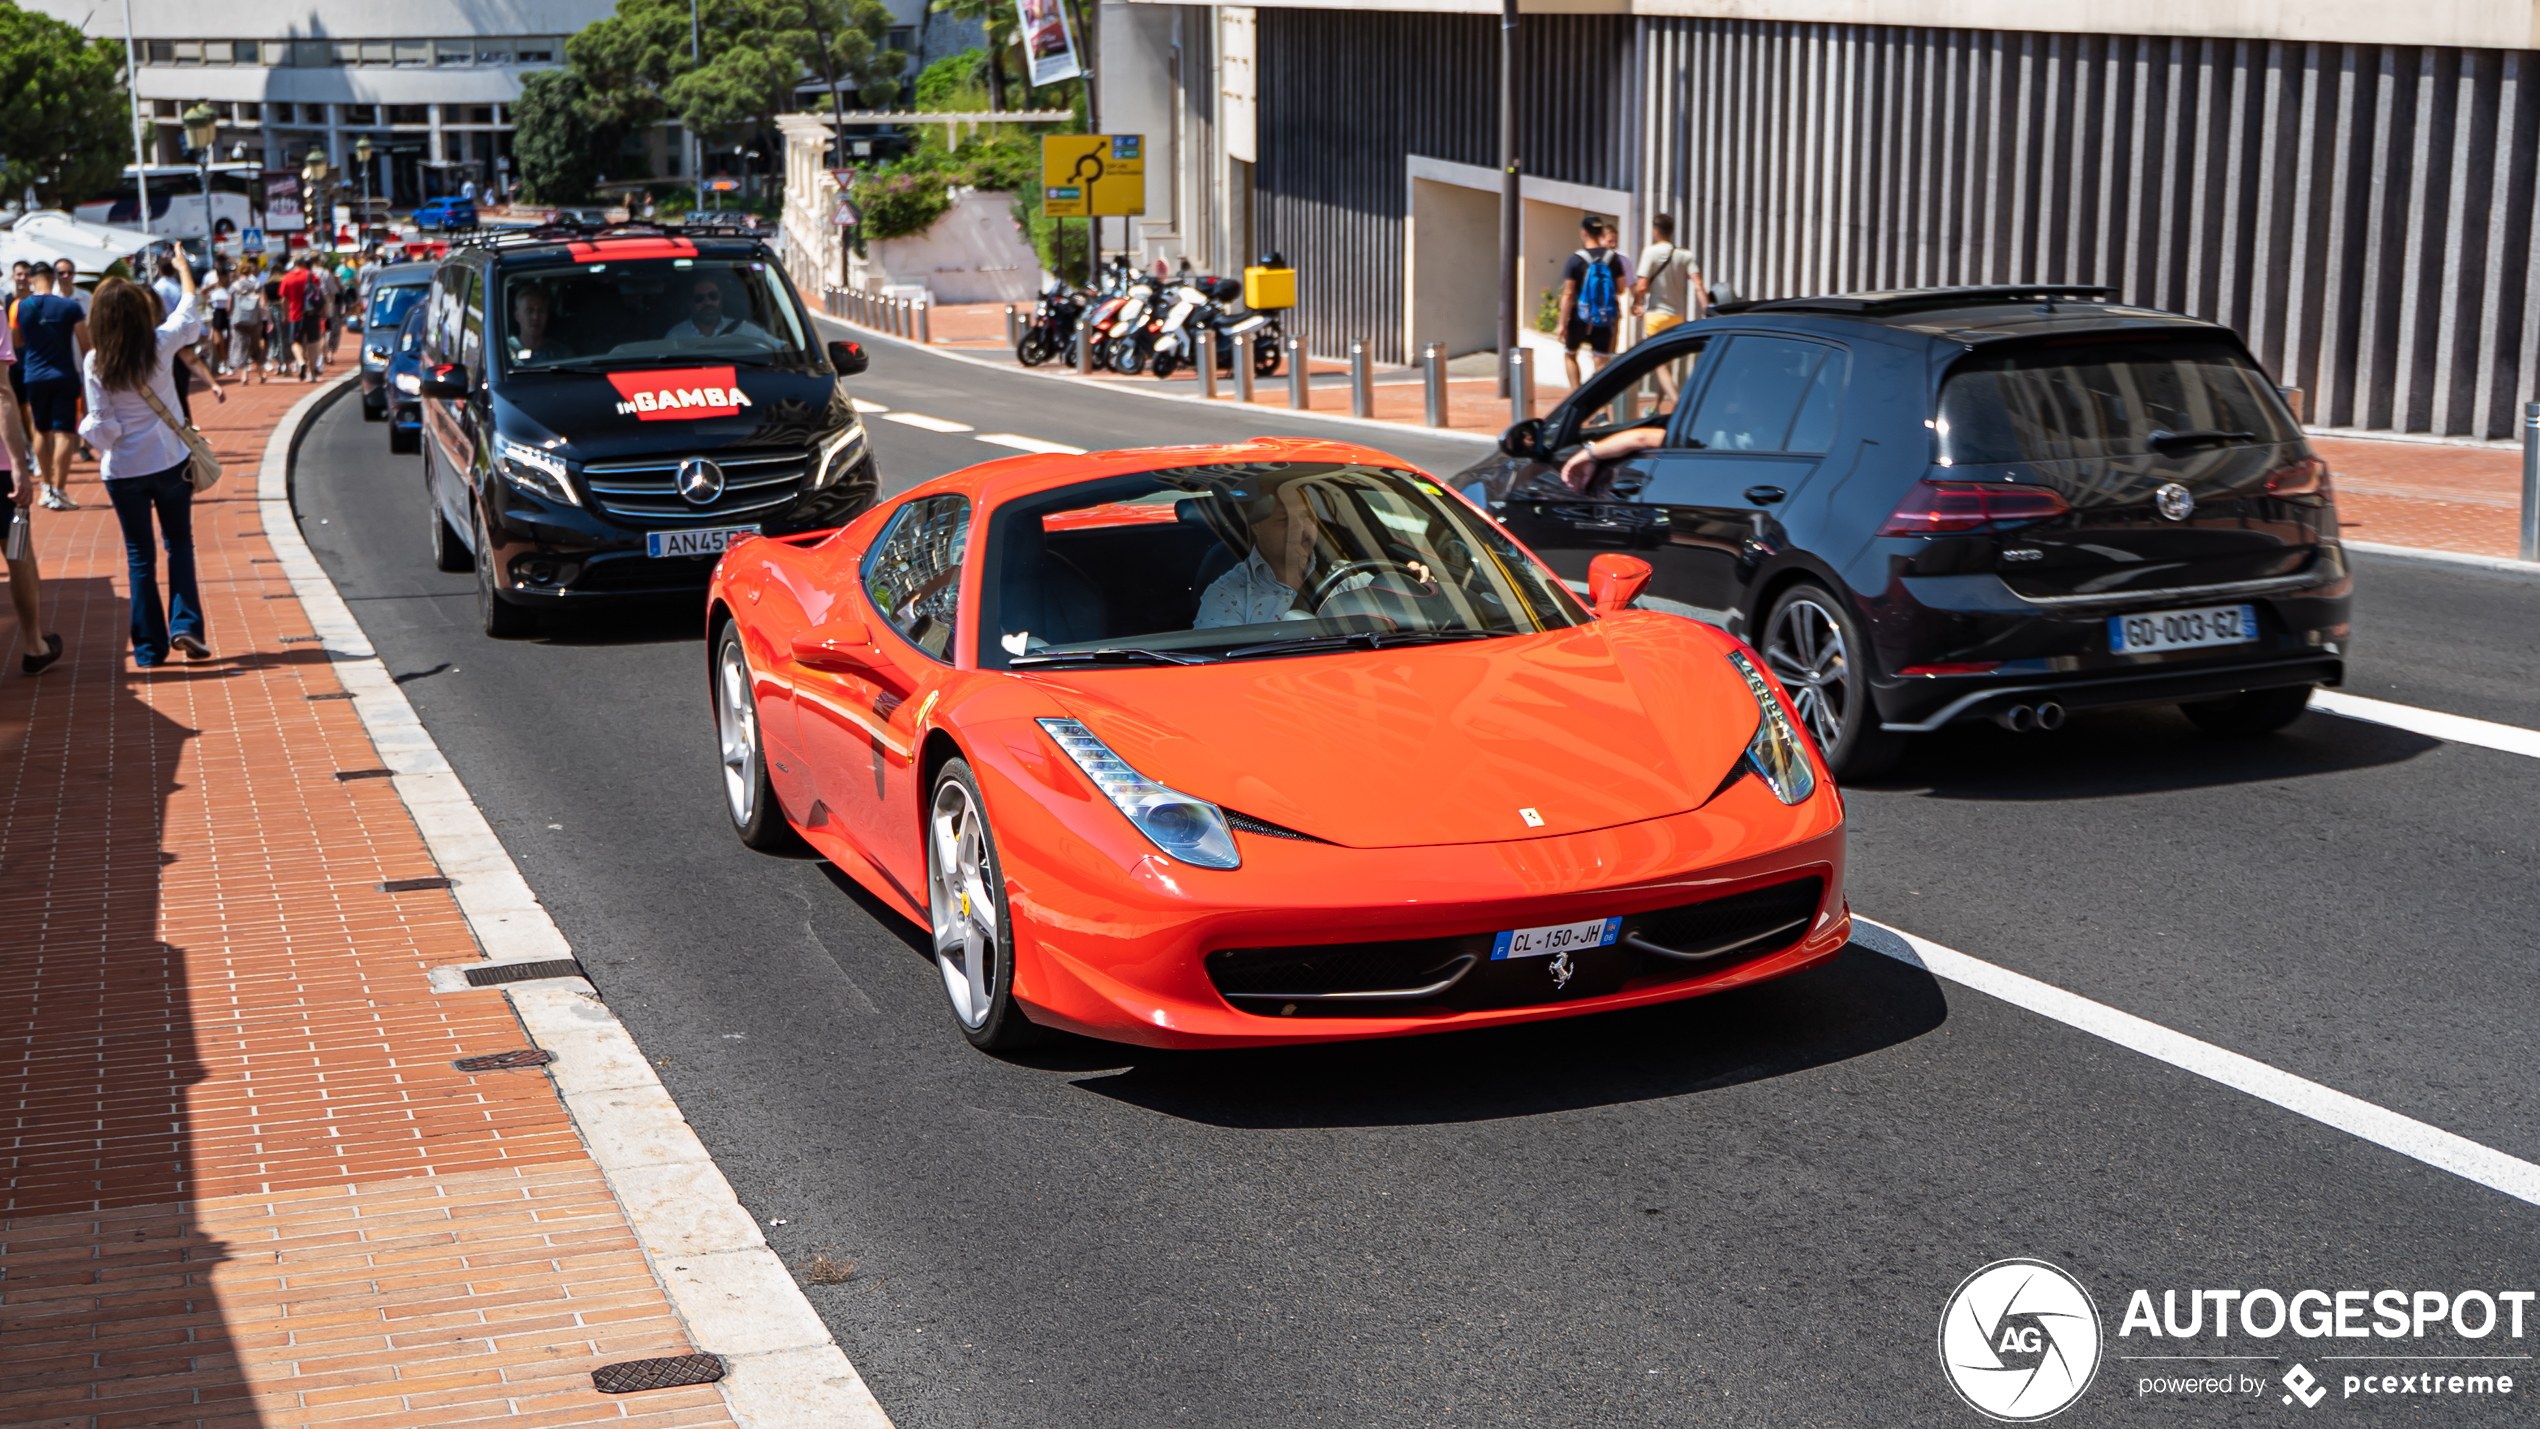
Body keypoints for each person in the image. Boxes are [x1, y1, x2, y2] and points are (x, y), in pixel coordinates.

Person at [79, 262, 210, 666]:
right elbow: (190, 310)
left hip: (124, 471)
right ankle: (185, 624)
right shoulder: (161, 342)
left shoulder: (95, 361)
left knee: (139, 555)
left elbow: (105, 428)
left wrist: (87, 430)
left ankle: (150, 648)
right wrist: (183, 267)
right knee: (180, 544)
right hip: (170, 461)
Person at [0, 315, 62, 676]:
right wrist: (19, 465)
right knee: (18, 548)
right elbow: (3, 393)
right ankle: (34, 644)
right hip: (2, 470)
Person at [13, 265, 89, 510]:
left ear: (33, 280)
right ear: (53, 278)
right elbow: (85, 344)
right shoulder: (70, 306)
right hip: (65, 373)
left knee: (40, 430)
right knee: (65, 432)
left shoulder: (21, 307)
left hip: (34, 375)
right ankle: (60, 489)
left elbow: (17, 341)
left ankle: (45, 486)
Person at [1631, 213, 1709, 403]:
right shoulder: (1685, 255)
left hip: (1656, 315)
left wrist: (1636, 303)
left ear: (1655, 231)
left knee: (1659, 364)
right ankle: (1657, 408)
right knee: (1667, 363)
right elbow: (1698, 284)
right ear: (1671, 231)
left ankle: (1677, 404)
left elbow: (1641, 286)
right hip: (1676, 316)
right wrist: (1707, 309)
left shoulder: (1650, 252)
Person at [1559, 217, 1630, 390]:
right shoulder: (1613, 258)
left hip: (1579, 317)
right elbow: (1621, 289)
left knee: (1570, 355)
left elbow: (1568, 294)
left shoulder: (1575, 259)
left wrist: (1562, 323)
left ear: (1584, 232)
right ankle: (1601, 411)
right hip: (1604, 317)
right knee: (1601, 361)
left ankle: (1576, 397)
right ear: (1601, 233)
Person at [663, 273, 770, 342]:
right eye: (699, 298)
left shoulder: (743, 329)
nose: (708, 302)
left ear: (721, 299)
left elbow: (780, 346)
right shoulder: (676, 336)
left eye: (713, 296)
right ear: (690, 303)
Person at [506, 283, 576, 362]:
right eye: (530, 311)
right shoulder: (506, 351)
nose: (536, 317)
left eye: (541, 311)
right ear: (517, 316)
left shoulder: (562, 353)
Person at [278, 255, 316, 379]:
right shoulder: (310, 275)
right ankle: (313, 373)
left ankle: (300, 361)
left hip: (295, 315)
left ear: (294, 263)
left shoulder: (287, 278)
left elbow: (283, 300)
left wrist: (284, 315)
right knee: (311, 342)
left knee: (295, 342)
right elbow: (319, 293)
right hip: (311, 314)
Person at [228, 264, 268, 381]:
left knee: (242, 345)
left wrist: (231, 315)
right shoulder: (256, 284)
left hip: (239, 318)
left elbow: (229, 305)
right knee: (255, 345)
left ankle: (244, 374)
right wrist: (267, 318)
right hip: (254, 318)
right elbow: (262, 303)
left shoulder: (235, 286)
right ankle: (262, 372)